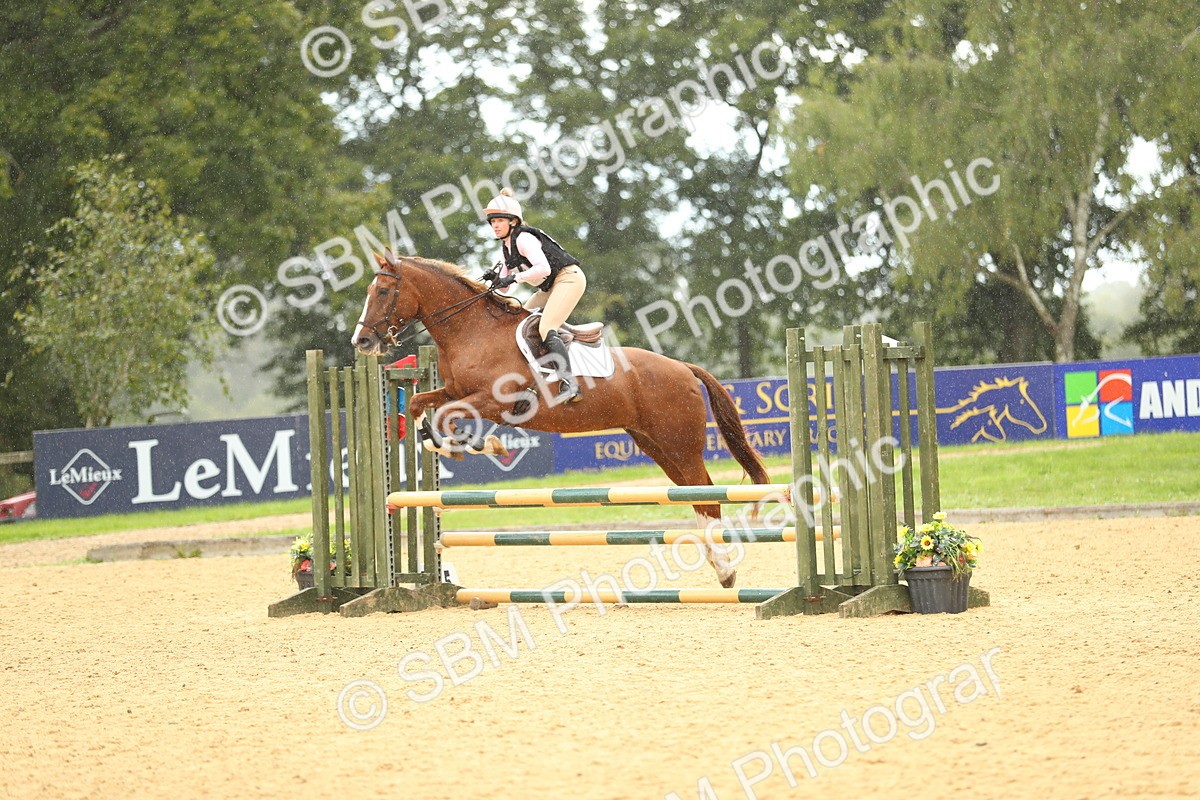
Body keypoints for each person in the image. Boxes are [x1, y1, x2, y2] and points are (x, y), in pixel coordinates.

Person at [480, 188, 586, 403]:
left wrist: (514, 278)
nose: (495, 226)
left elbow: (543, 268)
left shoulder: (524, 238)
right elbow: (504, 289)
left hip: (568, 279)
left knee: (546, 327)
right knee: (519, 322)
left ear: (513, 222)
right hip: (549, 287)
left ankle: (570, 384)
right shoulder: (506, 248)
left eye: (499, 221)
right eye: (492, 222)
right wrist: (495, 279)